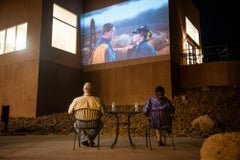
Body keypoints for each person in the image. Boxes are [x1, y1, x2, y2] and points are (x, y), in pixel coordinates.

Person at [68, 82, 106, 147]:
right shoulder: (97, 100)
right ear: (91, 90)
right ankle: (90, 138)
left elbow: (69, 112)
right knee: (101, 124)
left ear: (83, 90)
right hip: (94, 123)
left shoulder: (76, 100)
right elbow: (104, 112)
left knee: (75, 124)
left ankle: (85, 138)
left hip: (80, 124)